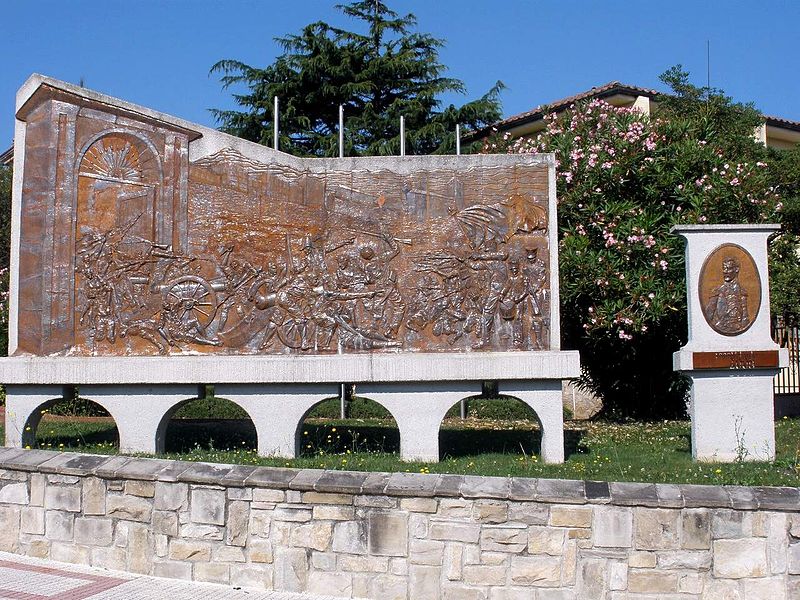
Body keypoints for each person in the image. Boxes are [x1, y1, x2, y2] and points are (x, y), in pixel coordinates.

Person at [705, 256, 750, 334]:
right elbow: (708, 316)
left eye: (729, 268)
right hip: (720, 328)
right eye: (724, 268)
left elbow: (745, 319)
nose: (725, 271)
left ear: (736, 269)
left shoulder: (743, 293)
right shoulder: (717, 292)